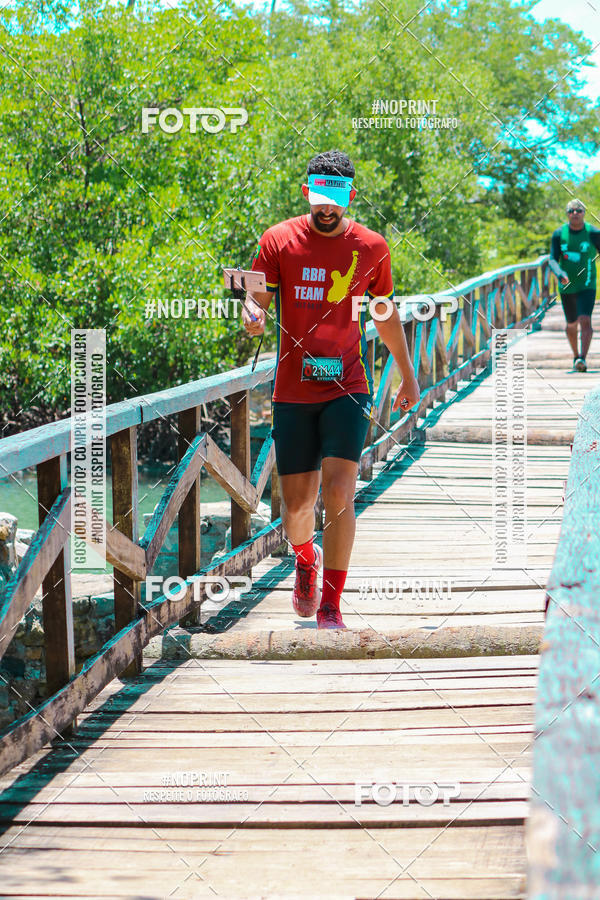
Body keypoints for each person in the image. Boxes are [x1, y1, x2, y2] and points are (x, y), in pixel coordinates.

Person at [242, 149, 420, 629]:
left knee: (340, 492)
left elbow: (382, 313)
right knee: (297, 508)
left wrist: (407, 373)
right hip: (292, 390)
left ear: (350, 197)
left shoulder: (372, 247)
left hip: (348, 384)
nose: (327, 208)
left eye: (336, 200)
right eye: (320, 198)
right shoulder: (278, 240)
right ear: (307, 193)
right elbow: (256, 300)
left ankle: (331, 606)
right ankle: (305, 558)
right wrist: (252, 315)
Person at [549, 199, 600, 372]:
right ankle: (575, 354)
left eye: (579, 210)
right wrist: (559, 273)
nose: (575, 213)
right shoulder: (559, 234)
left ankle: (582, 359)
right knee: (572, 323)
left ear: (584, 213)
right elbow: (552, 259)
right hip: (567, 286)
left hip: (587, 284)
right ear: (567, 214)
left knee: (585, 320)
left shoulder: (593, 233)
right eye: (571, 210)